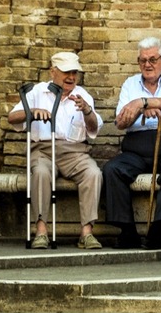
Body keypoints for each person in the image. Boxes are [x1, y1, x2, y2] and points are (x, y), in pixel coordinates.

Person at [102, 37, 161, 249]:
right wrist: (138, 111)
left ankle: (157, 230)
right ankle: (127, 232)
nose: (148, 64)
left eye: (153, 59)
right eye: (143, 60)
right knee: (112, 169)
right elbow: (120, 122)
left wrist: (141, 102)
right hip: (137, 146)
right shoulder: (130, 84)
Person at [7, 51, 104, 249]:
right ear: (53, 72)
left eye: (74, 73)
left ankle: (86, 233)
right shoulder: (37, 92)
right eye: (66, 72)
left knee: (93, 173)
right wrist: (31, 112)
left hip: (75, 152)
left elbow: (94, 128)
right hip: (42, 150)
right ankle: (41, 231)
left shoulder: (82, 95)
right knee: (41, 173)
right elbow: (12, 118)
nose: (71, 77)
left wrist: (87, 110)